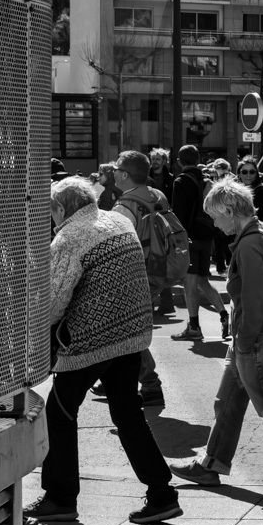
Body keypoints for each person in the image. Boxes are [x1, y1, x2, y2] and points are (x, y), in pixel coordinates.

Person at [27, 177, 181, 525]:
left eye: (51, 211)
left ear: (61, 208)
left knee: (59, 413)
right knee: (128, 412)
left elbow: (54, 302)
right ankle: (162, 494)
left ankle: (60, 498)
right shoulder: (118, 221)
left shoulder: (70, 237)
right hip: (132, 333)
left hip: (91, 340)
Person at [169, 178, 263, 489]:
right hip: (255, 334)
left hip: (256, 337)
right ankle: (211, 464)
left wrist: (245, 343)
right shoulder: (262, 231)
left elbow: (254, 301)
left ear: (229, 211)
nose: (214, 224)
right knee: (227, 402)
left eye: (215, 216)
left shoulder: (250, 243)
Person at [111, 150, 171, 404]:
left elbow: (117, 248)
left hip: (133, 275)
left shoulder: (124, 206)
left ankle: (150, 383)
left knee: (127, 329)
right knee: (130, 328)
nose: (113, 172)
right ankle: (113, 379)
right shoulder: (157, 196)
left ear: (125, 175)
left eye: (116, 169)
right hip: (157, 268)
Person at [170, 144, 229, 342]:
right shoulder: (207, 181)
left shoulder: (181, 181)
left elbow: (178, 215)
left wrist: (176, 240)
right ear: (198, 160)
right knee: (203, 280)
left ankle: (194, 327)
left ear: (179, 161)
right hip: (207, 236)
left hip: (190, 238)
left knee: (190, 282)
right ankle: (224, 314)